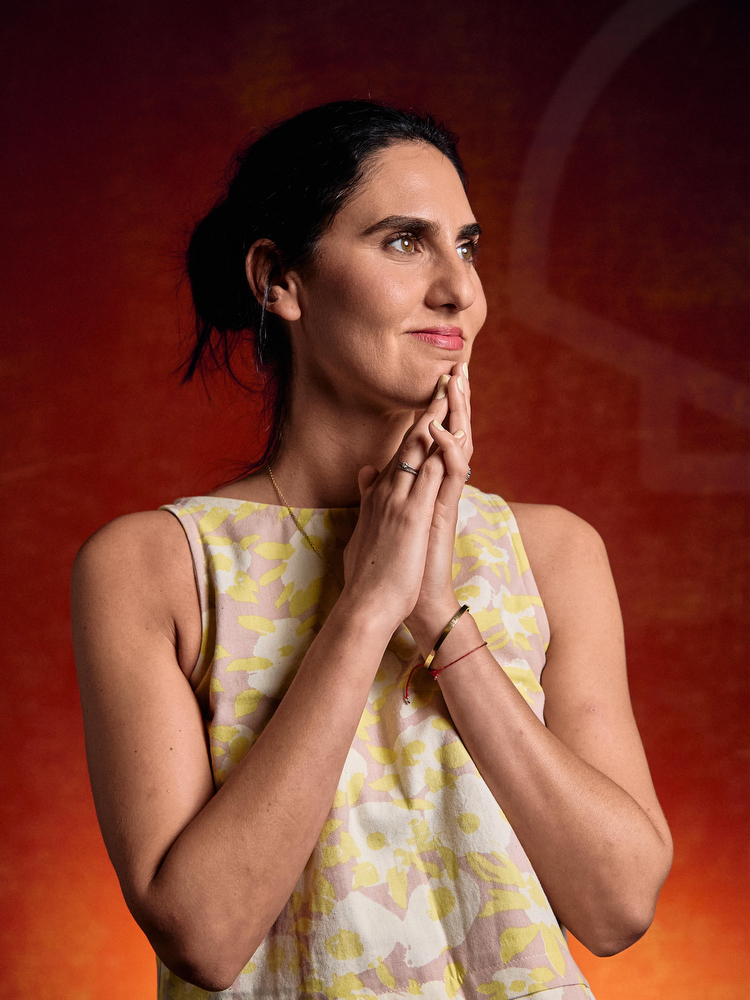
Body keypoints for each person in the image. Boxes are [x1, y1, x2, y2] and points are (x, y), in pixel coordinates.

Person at [71, 100, 672, 1000]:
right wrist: (365, 608)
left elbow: (618, 906)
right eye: (403, 242)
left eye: (466, 246)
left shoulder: (552, 553)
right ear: (280, 280)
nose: (458, 289)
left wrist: (440, 619)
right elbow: (204, 934)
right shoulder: (153, 567)